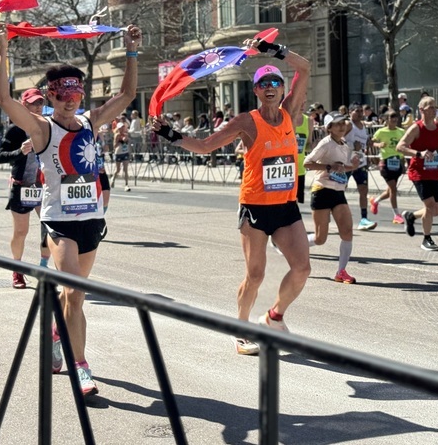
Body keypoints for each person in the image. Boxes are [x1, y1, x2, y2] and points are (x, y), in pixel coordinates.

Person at [0, 22, 141, 397]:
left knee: (71, 295)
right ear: (51, 97)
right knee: (76, 293)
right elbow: (7, 102)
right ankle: (81, 366)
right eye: (62, 94)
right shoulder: (42, 130)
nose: (70, 98)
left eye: (75, 91)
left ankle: (56, 331)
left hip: (91, 220)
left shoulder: (90, 122)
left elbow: (126, 95)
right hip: (58, 221)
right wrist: (2, 50)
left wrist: (131, 51)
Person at [152, 40, 312, 356]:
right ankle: (240, 330)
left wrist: (272, 49)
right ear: (255, 91)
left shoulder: (291, 113)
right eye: (263, 83)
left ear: (282, 90)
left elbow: (304, 67)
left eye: (275, 83)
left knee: (303, 268)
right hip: (254, 207)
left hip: (286, 206)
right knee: (255, 274)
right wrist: (171, 135)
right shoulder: (246, 121)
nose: (269, 87)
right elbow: (205, 146)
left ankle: (275, 316)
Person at [0, 88, 52, 288]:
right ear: (23, 105)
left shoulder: (48, 126)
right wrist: (20, 152)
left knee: (50, 228)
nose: (37, 106)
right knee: (21, 232)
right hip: (22, 186)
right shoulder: (16, 129)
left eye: (40, 103)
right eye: (33, 103)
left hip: (44, 186)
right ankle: (17, 270)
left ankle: (44, 267)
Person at [304, 113, 360, 283]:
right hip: (321, 190)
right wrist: (328, 166)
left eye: (343, 123)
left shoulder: (344, 145)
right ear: (329, 128)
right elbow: (307, 163)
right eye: (337, 124)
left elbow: (341, 169)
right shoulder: (325, 143)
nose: (342, 126)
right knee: (321, 239)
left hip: (338, 192)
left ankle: (341, 271)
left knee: (347, 231)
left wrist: (353, 166)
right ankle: (290, 247)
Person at [397, 96, 438, 251]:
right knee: (429, 206)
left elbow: (437, 146)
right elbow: (400, 146)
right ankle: (426, 239)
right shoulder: (416, 128)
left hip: (434, 171)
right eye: (430, 107)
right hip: (419, 172)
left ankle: (410, 216)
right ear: (421, 110)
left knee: (437, 210)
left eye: (435, 107)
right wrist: (418, 153)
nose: (434, 110)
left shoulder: (437, 126)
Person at [369, 111, 406, 224]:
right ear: (386, 119)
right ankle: (396, 215)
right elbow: (371, 142)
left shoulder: (401, 131)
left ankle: (375, 201)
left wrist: (404, 162)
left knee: (391, 190)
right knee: (393, 189)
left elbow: (405, 145)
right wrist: (378, 145)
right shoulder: (381, 131)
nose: (394, 120)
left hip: (397, 161)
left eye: (396, 118)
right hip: (386, 162)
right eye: (391, 118)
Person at [346, 103, 377, 230]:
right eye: (356, 111)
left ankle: (364, 218)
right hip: (346, 162)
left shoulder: (362, 126)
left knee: (363, 190)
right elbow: (338, 140)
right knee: (340, 188)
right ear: (350, 112)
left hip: (360, 162)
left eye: (361, 111)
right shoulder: (348, 125)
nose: (359, 113)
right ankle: (335, 212)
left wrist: (369, 142)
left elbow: (363, 143)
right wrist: (353, 147)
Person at [293, 100, 312, 205]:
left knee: (298, 203)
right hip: (287, 167)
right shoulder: (287, 119)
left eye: (304, 103)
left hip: (300, 168)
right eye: (299, 102)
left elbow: (308, 145)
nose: (301, 106)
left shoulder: (308, 121)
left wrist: (313, 146)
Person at [112, 121, 131, 191]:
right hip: (118, 153)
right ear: (118, 128)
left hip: (125, 153)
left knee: (125, 169)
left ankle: (126, 185)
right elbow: (114, 146)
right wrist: (120, 141)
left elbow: (128, 144)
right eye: (120, 128)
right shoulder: (117, 135)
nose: (122, 129)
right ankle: (113, 179)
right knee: (118, 170)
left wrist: (130, 152)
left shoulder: (126, 135)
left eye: (123, 127)